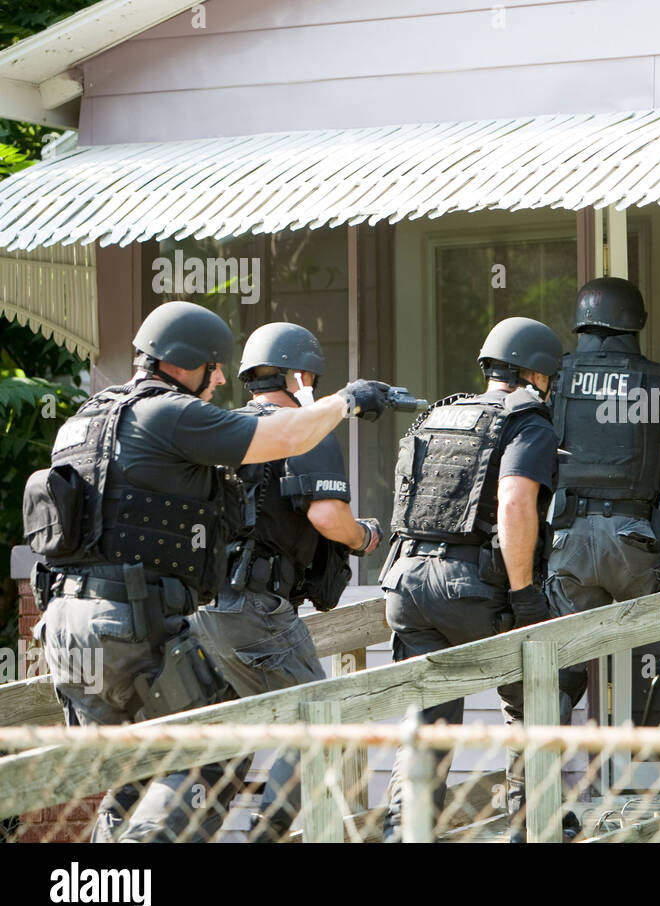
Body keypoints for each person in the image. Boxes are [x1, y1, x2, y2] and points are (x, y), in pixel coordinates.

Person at [24, 301, 393, 843]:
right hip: (132, 623)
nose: (221, 378)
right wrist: (347, 401)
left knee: (134, 770)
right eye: (213, 366)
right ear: (179, 362)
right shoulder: (169, 413)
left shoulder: (85, 420)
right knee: (214, 759)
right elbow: (287, 438)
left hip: (65, 630)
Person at [185, 322, 385, 842]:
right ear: (300, 375)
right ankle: (266, 836)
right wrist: (363, 537)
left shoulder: (225, 429)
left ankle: (182, 834)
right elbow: (327, 517)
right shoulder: (305, 425)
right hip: (254, 612)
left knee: (223, 741)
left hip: (202, 612)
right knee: (322, 722)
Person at [380, 316, 564, 842]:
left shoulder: (440, 415)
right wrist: (524, 591)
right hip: (470, 587)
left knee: (427, 720)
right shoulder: (527, 420)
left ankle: (404, 832)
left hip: (404, 581)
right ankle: (530, 828)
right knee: (537, 695)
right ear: (536, 372)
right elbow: (514, 501)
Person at [545, 276, 660, 733]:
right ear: (636, 322)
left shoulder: (556, 378)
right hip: (635, 538)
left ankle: (538, 793)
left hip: (568, 538)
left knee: (562, 665)